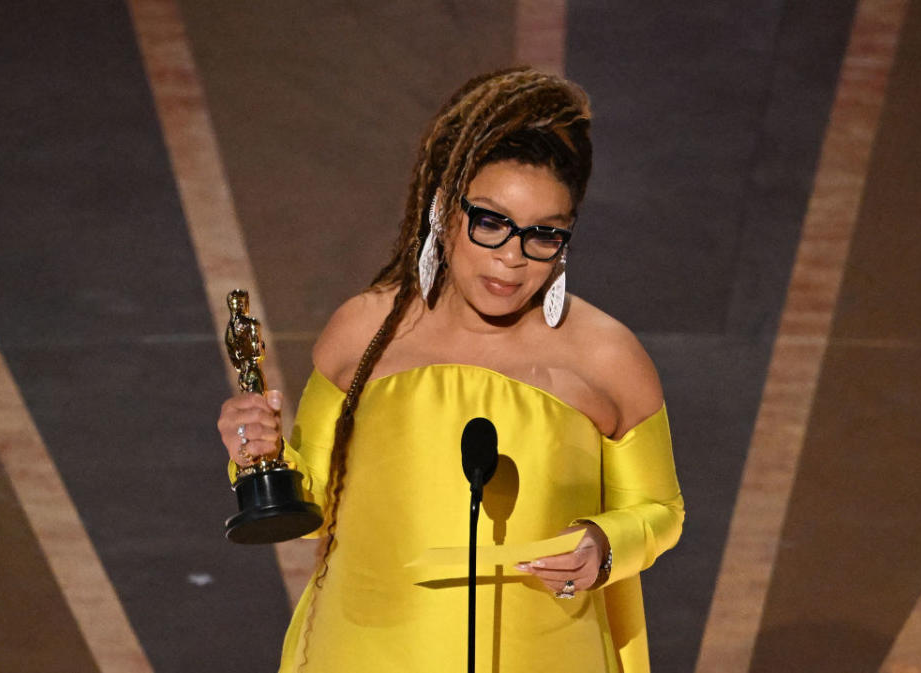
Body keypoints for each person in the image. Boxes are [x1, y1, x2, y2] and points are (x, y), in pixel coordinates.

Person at [217, 67, 684, 673]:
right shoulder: (366, 330)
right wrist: (259, 455)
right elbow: (314, 513)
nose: (512, 258)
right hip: (370, 650)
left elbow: (660, 509)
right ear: (444, 208)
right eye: (490, 221)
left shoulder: (606, 355)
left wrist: (603, 543)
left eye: (543, 235)